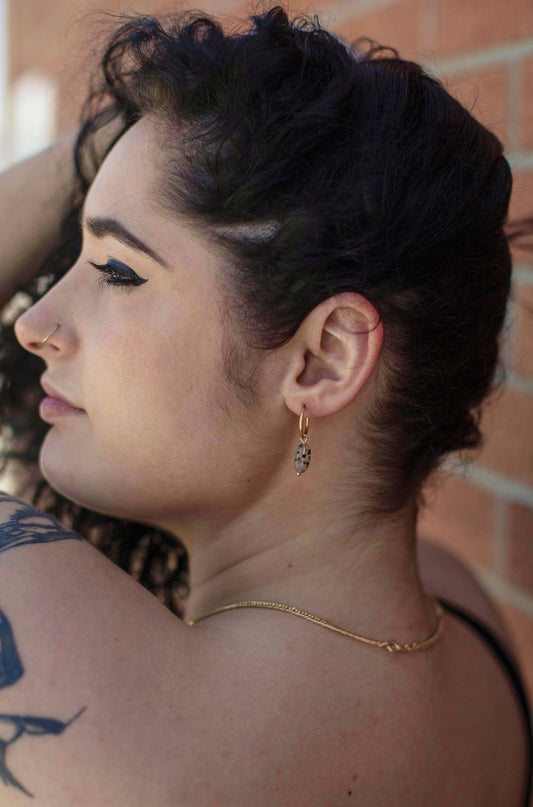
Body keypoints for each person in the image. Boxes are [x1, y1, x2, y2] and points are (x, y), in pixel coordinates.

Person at [0, 4, 531, 805]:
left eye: (117, 271)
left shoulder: (89, 681)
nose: (34, 323)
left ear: (323, 359)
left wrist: (105, 137)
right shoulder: (461, 610)